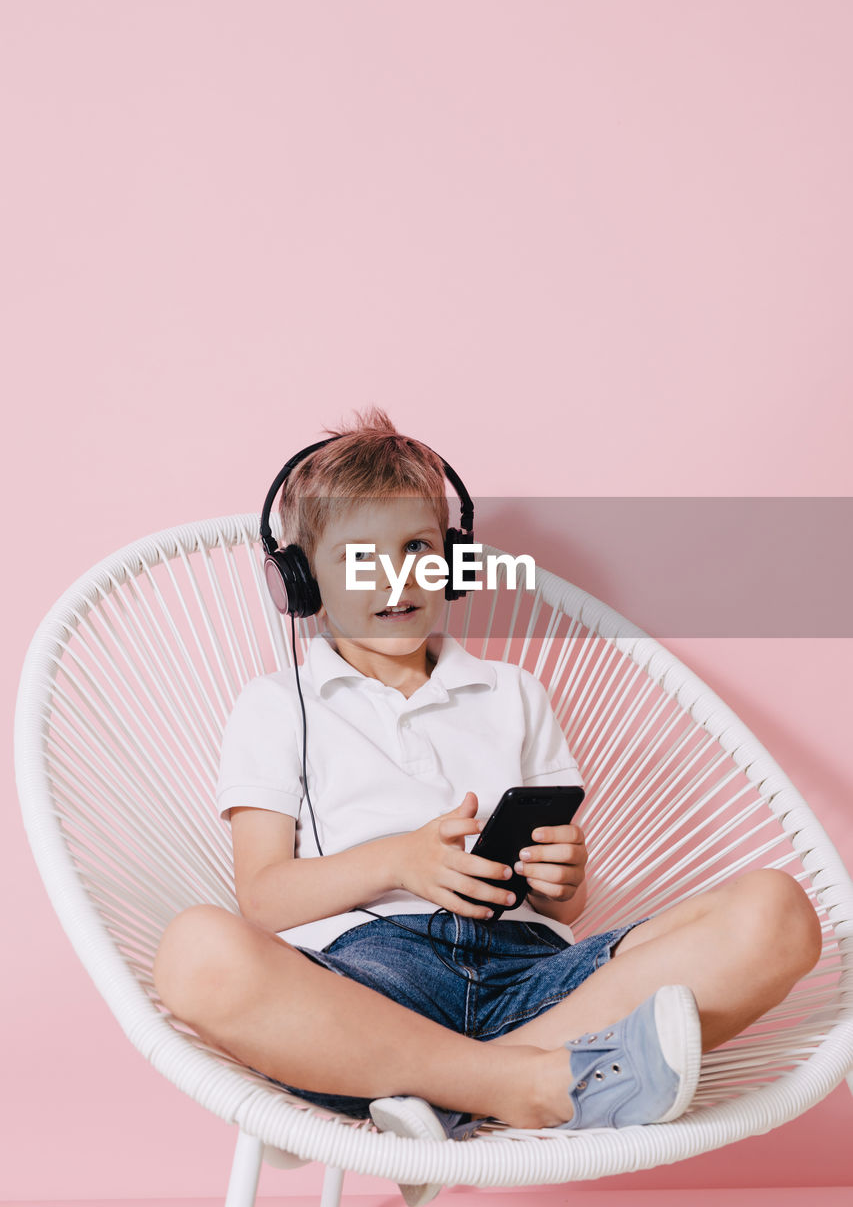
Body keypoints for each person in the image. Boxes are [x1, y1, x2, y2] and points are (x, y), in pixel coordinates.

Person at [153, 408, 822, 1203]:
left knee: (776, 911)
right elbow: (262, 900)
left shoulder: (514, 694)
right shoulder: (277, 705)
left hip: (535, 980)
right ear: (302, 580)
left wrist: (559, 878)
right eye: (361, 560)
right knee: (196, 950)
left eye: (418, 552)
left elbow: (565, 900)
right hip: (371, 989)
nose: (397, 581)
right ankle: (522, 1086)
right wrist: (397, 861)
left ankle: (465, 1090)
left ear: (456, 563)